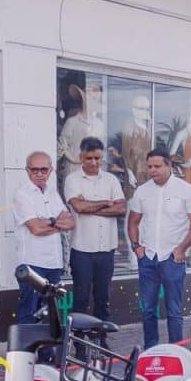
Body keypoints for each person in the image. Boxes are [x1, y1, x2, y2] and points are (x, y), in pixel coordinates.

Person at [127, 148, 191, 348]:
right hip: (148, 258)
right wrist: (137, 247)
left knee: (174, 311)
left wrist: (181, 249)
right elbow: (133, 221)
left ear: (169, 165)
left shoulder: (186, 189)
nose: (152, 170)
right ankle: (151, 350)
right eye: (150, 166)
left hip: (172, 258)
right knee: (148, 310)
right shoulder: (142, 191)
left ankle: (175, 351)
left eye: (157, 166)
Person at [64, 137, 126, 321]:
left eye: (97, 158)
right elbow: (79, 208)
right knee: (81, 299)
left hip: (106, 249)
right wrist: (107, 203)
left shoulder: (111, 180)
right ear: (81, 156)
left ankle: (101, 341)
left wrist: (91, 207)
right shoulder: (72, 180)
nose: (94, 162)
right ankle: (79, 344)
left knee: (103, 299)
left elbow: (121, 208)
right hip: (82, 250)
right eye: (89, 158)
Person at [12, 150, 74, 322]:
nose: (39, 174)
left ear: (51, 170)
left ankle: (47, 350)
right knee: (29, 312)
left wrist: (47, 221)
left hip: (54, 264)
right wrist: (57, 222)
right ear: (27, 171)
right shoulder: (22, 195)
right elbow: (35, 229)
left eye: (43, 170)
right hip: (32, 265)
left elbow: (70, 223)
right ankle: (24, 350)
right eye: (34, 170)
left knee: (49, 314)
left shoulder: (53, 194)